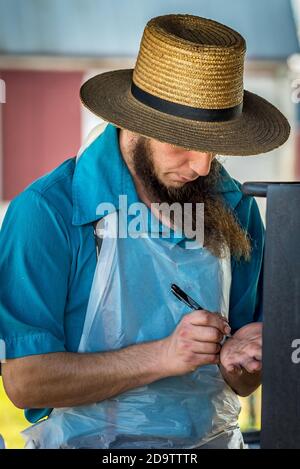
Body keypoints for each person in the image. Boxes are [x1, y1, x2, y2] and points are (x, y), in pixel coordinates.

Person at [0, 14, 290, 449]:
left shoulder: (235, 207)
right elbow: (26, 381)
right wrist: (163, 356)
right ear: (134, 123)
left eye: (214, 144)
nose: (203, 166)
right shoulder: (47, 212)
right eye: (183, 142)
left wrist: (239, 359)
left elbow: (243, 384)